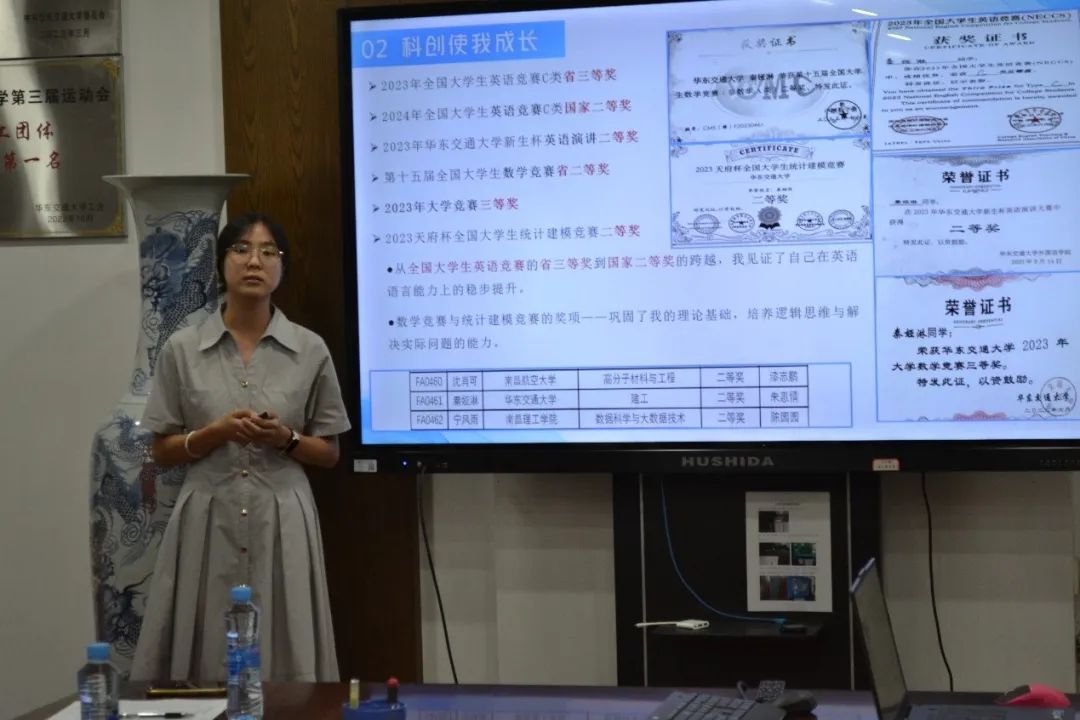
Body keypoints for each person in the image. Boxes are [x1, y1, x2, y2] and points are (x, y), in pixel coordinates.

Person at [130, 213, 349, 683]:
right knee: (206, 647)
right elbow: (161, 450)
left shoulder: (310, 349)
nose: (255, 261)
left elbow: (330, 452)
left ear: (282, 268)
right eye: (242, 249)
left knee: (287, 646)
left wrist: (285, 439)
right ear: (221, 263)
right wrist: (215, 432)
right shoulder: (183, 349)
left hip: (282, 515)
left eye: (269, 252)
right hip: (208, 515)